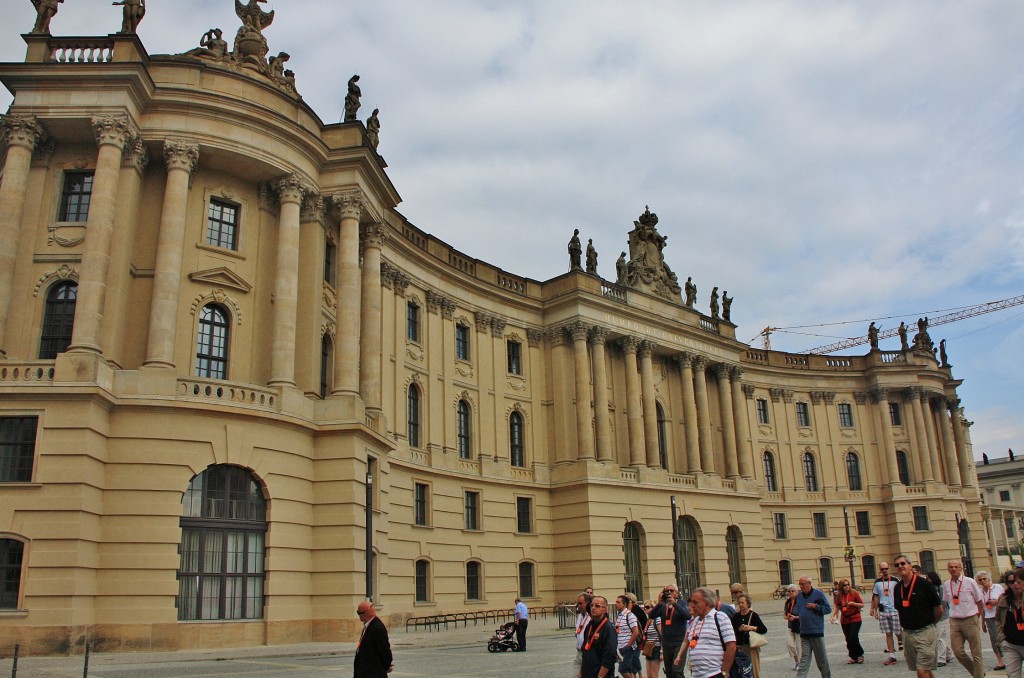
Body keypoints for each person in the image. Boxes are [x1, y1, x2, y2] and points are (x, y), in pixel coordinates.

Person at [893, 555, 943, 678]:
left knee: (921, 671)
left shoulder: (924, 584)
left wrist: (930, 624)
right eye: (897, 565)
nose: (900, 566)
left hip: (924, 632)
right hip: (908, 634)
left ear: (910, 566)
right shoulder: (897, 588)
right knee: (923, 668)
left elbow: (938, 609)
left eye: (903, 563)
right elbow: (900, 610)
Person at [674, 587, 735, 678]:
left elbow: (731, 645)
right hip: (696, 675)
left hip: (714, 673)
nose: (692, 605)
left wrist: (725, 671)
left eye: (695, 602)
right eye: (691, 602)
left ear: (707, 603)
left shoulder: (720, 617)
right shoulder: (695, 621)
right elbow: (687, 641)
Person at [943, 559, 984, 677]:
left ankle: (979, 676)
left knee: (976, 653)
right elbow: (946, 601)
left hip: (970, 619)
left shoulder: (969, 582)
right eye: (951, 567)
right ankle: (977, 673)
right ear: (948, 569)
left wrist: (978, 617)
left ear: (961, 568)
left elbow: (979, 601)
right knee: (958, 651)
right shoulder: (947, 584)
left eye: (956, 567)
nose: (953, 569)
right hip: (955, 620)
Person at [651, 583, 690, 678]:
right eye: (666, 591)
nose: (669, 592)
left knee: (677, 671)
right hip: (666, 643)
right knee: (669, 672)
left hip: (679, 642)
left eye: (671, 591)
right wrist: (659, 603)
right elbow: (651, 616)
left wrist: (674, 604)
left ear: (677, 593)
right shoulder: (663, 605)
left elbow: (687, 616)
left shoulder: (682, 603)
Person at [796, 575, 832, 678]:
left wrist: (815, 606)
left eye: (803, 584)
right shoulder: (799, 596)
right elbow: (798, 609)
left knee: (821, 659)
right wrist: (793, 615)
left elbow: (828, 609)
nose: (801, 586)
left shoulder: (818, 594)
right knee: (804, 658)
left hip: (816, 631)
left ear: (809, 584)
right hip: (804, 632)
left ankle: (826, 676)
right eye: (800, 584)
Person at [871, 560, 903, 666]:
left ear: (888, 568)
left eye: (886, 568)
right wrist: (875, 610)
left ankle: (902, 642)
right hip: (883, 610)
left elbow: (901, 593)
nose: (884, 571)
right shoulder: (877, 582)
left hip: (895, 610)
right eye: (882, 569)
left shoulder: (895, 580)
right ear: (879, 570)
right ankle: (892, 655)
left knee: (898, 632)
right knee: (888, 633)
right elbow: (876, 596)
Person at [995, 567, 1024, 678]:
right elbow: (997, 619)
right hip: (1010, 644)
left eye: (1018, 582)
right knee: (1012, 675)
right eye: (1012, 582)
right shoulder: (1004, 599)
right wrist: (1001, 638)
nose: (1015, 585)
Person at [354, 601, 393, 677]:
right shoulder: (369, 625)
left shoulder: (377, 628)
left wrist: (387, 665)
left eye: (359, 613)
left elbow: (384, 649)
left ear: (365, 614)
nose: (359, 617)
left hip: (373, 673)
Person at [581, 595, 617, 678]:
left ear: (605, 610)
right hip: (588, 672)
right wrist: (581, 672)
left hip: (601, 674)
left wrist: (600, 676)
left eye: (597, 606)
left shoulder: (608, 628)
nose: (593, 608)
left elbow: (610, 655)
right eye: (592, 605)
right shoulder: (589, 626)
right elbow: (584, 651)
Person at [732, 593, 767, 678]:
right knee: (742, 668)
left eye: (742, 603)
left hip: (752, 645)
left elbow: (763, 629)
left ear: (748, 603)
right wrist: (739, 629)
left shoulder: (753, 615)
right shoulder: (736, 616)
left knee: (754, 669)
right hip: (740, 645)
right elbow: (732, 631)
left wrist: (751, 628)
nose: (741, 605)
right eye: (739, 603)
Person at [979, 570, 1008, 670]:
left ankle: (1009, 657)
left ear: (989, 578)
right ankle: (1000, 661)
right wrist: (982, 623)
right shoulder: (980, 592)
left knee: (1004, 637)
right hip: (989, 617)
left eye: (984, 579)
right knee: (994, 639)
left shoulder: (997, 587)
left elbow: (1006, 599)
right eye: (980, 580)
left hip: (1000, 616)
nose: (983, 581)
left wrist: (997, 601)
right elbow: (982, 608)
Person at [926, 571, 954, 667]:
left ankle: (941, 658)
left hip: (943, 616)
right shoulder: (930, 589)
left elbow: (943, 603)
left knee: (940, 637)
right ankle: (949, 655)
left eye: (928, 578)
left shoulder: (941, 588)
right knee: (941, 636)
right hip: (935, 616)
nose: (927, 580)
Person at [837, 578, 865, 664]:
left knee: (853, 637)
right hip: (845, 619)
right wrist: (834, 615)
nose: (846, 587)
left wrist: (853, 603)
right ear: (841, 587)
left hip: (855, 618)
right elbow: (838, 606)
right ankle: (853, 656)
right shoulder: (839, 595)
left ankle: (860, 654)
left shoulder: (854, 593)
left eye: (847, 584)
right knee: (848, 638)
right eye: (844, 585)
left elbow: (862, 604)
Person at [614, 594, 641, 678]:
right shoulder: (619, 615)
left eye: (618, 602)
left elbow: (636, 632)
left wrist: (628, 645)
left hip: (627, 647)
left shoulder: (630, 615)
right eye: (616, 602)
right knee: (627, 669)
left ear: (624, 604)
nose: (616, 604)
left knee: (623, 669)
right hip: (620, 647)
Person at [574, 592, 594, 677]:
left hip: (587, 653)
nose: (578, 606)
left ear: (587, 603)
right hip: (579, 652)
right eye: (577, 603)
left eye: (580, 603)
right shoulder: (580, 616)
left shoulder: (591, 617)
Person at [641, 599, 662, 678]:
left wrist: (662, 651)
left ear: (654, 608)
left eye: (647, 607)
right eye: (644, 607)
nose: (645, 609)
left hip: (656, 647)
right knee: (649, 675)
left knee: (654, 674)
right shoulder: (649, 620)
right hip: (649, 647)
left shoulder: (657, 619)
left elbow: (662, 635)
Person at [783, 583, 802, 670]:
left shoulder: (800, 601)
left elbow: (804, 614)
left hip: (799, 626)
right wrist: (786, 617)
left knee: (799, 646)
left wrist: (796, 617)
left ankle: (800, 663)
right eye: (789, 591)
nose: (791, 593)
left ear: (797, 592)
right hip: (790, 626)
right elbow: (784, 613)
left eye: (793, 591)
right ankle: (796, 660)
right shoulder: (788, 602)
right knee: (790, 644)